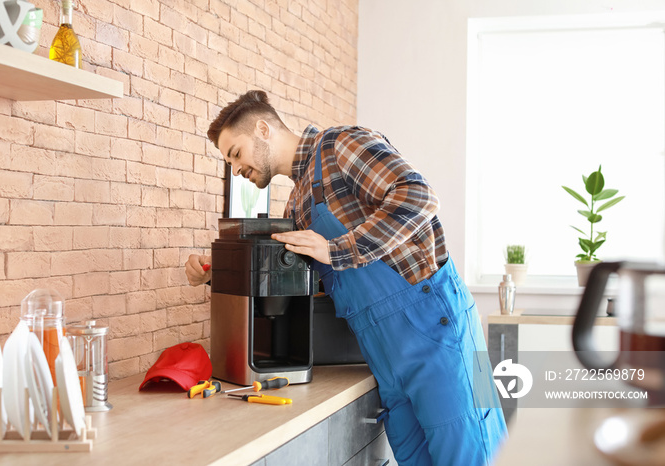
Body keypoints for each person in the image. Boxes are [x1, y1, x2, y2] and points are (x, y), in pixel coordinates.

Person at [185, 90, 507, 465]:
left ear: (262, 129)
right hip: (384, 354)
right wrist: (215, 275)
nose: (236, 169)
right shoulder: (297, 203)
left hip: (432, 330)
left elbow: (419, 197)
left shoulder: (340, 145)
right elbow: (312, 281)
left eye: (236, 153)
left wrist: (334, 250)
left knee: (467, 453)